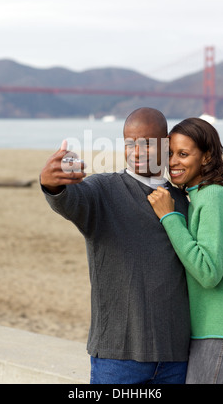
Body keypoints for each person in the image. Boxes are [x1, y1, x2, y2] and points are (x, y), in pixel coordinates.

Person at [40, 107, 191, 384]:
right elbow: (72, 200)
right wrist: (53, 186)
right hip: (117, 358)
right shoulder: (102, 190)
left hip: (176, 357)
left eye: (146, 143)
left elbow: (203, 250)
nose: (136, 151)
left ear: (166, 143)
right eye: (130, 143)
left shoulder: (183, 201)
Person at [147, 117, 223, 384]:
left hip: (220, 333)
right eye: (170, 153)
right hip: (213, 330)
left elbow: (208, 272)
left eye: (183, 154)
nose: (173, 162)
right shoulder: (197, 195)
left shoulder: (213, 196)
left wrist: (169, 217)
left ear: (206, 157)